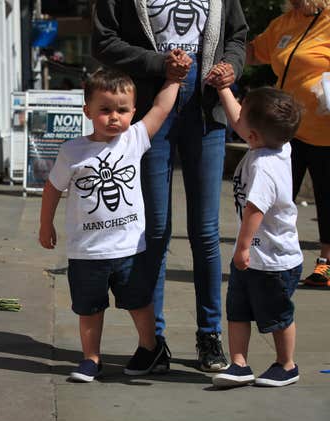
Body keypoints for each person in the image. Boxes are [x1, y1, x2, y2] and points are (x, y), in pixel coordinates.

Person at [92, 0, 248, 371]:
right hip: (150, 109)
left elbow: (237, 36)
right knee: (155, 229)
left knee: (206, 232)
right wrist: (159, 63)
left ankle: (209, 335)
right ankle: (153, 341)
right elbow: (103, 42)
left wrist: (230, 67)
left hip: (206, 111)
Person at [39, 67, 181, 382]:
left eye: (122, 110)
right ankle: (91, 358)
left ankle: (150, 348)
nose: (114, 117)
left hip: (129, 247)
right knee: (89, 308)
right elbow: (52, 188)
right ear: (87, 110)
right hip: (86, 251)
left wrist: (175, 79)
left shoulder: (135, 138)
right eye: (105, 110)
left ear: (133, 111)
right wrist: (45, 225)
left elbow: (161, 108)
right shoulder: (72, 151)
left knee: (139, 302)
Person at [210, 83, 303, 387]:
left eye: (244, 111)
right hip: (256, 259)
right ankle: (239, 364)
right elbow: (242, 121)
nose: (238, 118)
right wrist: (224, 89)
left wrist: (242, 247)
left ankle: (286, 365)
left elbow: (254, 211)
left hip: (272, 260)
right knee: (237, 310)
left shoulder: (264, 167)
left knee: (277, 315)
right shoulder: (279, 143)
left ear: (252, 136)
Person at [246, 0, 330, 286]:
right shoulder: (285, 23)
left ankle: (326, 265)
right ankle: (269, 259)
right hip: (287, 132)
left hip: (326, 131)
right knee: (277, 199)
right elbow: (254, 52)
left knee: (327, 198)